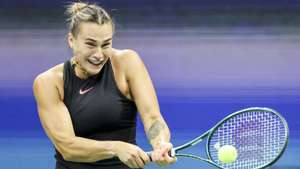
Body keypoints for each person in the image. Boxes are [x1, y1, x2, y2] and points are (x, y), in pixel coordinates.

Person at [33, 1, 176, 169]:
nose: (99, 55)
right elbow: (68, 147)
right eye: (91, 44)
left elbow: (152, 117)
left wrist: (160, 143)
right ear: (71, 40)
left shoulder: (127, 63)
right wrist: (115, 148)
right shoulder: (49, 82)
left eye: (106, 44)